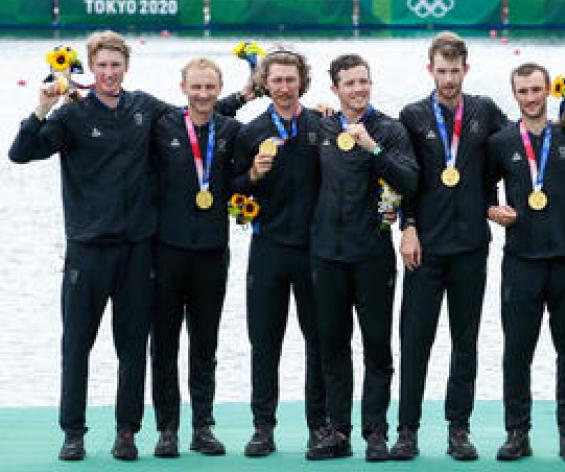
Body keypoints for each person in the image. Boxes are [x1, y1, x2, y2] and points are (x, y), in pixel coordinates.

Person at [8, 31, 246, 462]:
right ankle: (73, 432)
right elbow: (20, 152)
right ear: (91, 67)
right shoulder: (71, 114)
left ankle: (126, 431)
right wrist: (42, 107)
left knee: (133, 347)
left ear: (126, 68)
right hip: (87, 248)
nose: (109, 73)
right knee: (76, 344)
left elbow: (197, 115)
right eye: (102, 65)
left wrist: (246, 96)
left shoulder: (145, 108)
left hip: (138, 250)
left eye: (116, 65)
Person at [391, 31, 509, 461]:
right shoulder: (412, 115)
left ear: (466, 69)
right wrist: (407, 226)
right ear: (430, 70)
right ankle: (406, 430)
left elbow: (515, 152)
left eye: (454, 71)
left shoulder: (485, 110)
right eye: (441, 71)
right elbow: (402, 178)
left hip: (471, 247)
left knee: (465, 342)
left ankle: (459, 430)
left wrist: (497, 205)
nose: (448, 79)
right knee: (414, 341)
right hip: (424, 248)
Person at [309, 53, 418, 462]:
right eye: (349, 83)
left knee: (377, 347)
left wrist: (373, 149)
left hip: (372, 254)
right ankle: (338, 431)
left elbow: (409, 182)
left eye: (363, 81)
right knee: (333, 347)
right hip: (327, 256)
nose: (358, 89)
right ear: (334, 90)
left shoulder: (389, 129)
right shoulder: (319, 126)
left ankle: (376, 432)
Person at [484, 62, 565, 462]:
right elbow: (480, 189)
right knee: (517, 352)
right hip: (521, 261)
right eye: (522, 92)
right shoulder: (500, 142)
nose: (530, 98)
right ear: (514, 95)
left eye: (536, 90)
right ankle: (517, 433)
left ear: (548, 90)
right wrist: (492, 210)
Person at [148, 57, 249, 458]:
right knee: (165, 346)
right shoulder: (163, 127)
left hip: (211, 253)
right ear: (183, 87)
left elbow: (241, 181)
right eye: (197, 87)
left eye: (210, 88)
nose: (204, 94)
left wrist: (254, 178)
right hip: (167, 252)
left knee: (204, 344)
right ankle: (167, 429)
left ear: (220, 89)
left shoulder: (233, 131)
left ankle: (202, 427)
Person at [231, 48, 328, 459]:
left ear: (301, 82)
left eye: (291, 80)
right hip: (267, 249)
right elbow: (232, 201)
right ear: (265, 84)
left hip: (313, 252)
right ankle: (262, 427)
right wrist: (252, 175)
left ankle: (319, 426)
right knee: (264, 343)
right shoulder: (248, 131)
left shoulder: (322, 125)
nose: (284, 87)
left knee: (319, 343)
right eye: (277, 80)